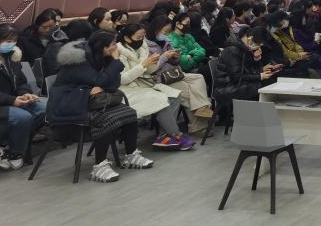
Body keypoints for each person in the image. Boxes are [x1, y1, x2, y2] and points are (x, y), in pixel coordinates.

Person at [50, 31, 154, 182]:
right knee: (104, 118)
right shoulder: (79, 61)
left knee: (129, 112)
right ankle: (99, 166)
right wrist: (114, 64)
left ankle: (131, 155)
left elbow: (112, 84)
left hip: (89, 99)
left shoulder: (102, 56)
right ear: (101, 47)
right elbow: (100, 81)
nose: (115, 47)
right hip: (68, 102)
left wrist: (104, 79)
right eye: (112, 45)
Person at [0, 25, 45, 170]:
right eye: (8, 41)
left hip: (8, 100)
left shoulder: (11, 57)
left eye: (14, 41)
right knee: (23, 117)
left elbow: (21, 81)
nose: (12, 44)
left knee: (42, 110)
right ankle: (15, 152)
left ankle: (5, 142)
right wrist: (12, 100)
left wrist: (25, 93)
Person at [116, 23, 194, 151]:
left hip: (144, 84)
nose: (141, 40)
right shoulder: (119, 52)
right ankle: (176, 134)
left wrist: (153, 63)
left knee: (175, 95)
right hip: (127, 90)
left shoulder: (142, 48)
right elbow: (123, 79)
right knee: (160, 99)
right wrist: (143, 65)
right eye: (138, 37)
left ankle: (164, 136)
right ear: (127, 38)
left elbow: (149, 71)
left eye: (143, 36)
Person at [148, 15, 215, 133]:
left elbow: (178, 61)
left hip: (174, 73)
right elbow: (151, 69)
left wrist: (175, 57)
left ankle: (203, 107)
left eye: (168, 31)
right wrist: (165, 57)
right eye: (165, 31)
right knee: (190, 93)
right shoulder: (147, 46)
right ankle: (198, 127)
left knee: (199, 77)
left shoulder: (167, 40)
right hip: (160, 78)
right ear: (156, 29)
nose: (167, 34)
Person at [214, 27, 278, 103]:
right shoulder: (232, 50)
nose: (258, 47)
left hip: (239, 83)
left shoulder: (245, 47)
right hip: (229, 87)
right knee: (265, 85)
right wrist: (260, 76)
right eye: (258, 44)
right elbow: (237, 76)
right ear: (250, 39)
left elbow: (246, 70)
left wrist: (258, 63)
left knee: (270, 81)